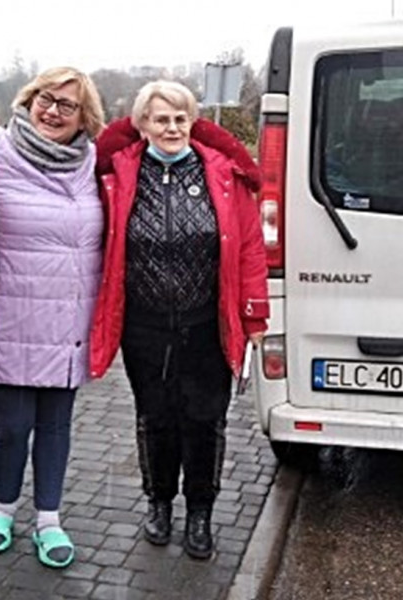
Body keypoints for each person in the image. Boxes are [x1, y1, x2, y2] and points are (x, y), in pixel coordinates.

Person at [90, 80, 269, 560]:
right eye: (160, 119)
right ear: (142, 125)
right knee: (155, 418)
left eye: (180, 119)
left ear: (194, 123)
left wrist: (254, 316)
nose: (172, 128)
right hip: (145, 327)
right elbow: (101, 147)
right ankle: (160, 504)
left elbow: (250, 250)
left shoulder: (223, 175)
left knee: (204, 421)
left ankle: (201, 512)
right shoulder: (121, 173)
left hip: (205, 324)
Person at [0, 67, 105, 568]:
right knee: (12, 425)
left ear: (83, 117)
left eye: (66, 105)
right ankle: (2, 510)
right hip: (8, 314)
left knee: (55, 425)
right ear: (27, 101)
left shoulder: (95, 160)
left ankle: (48, 520)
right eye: (45, 99)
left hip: (70, 315)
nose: (52, 111)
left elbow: (172, 140)